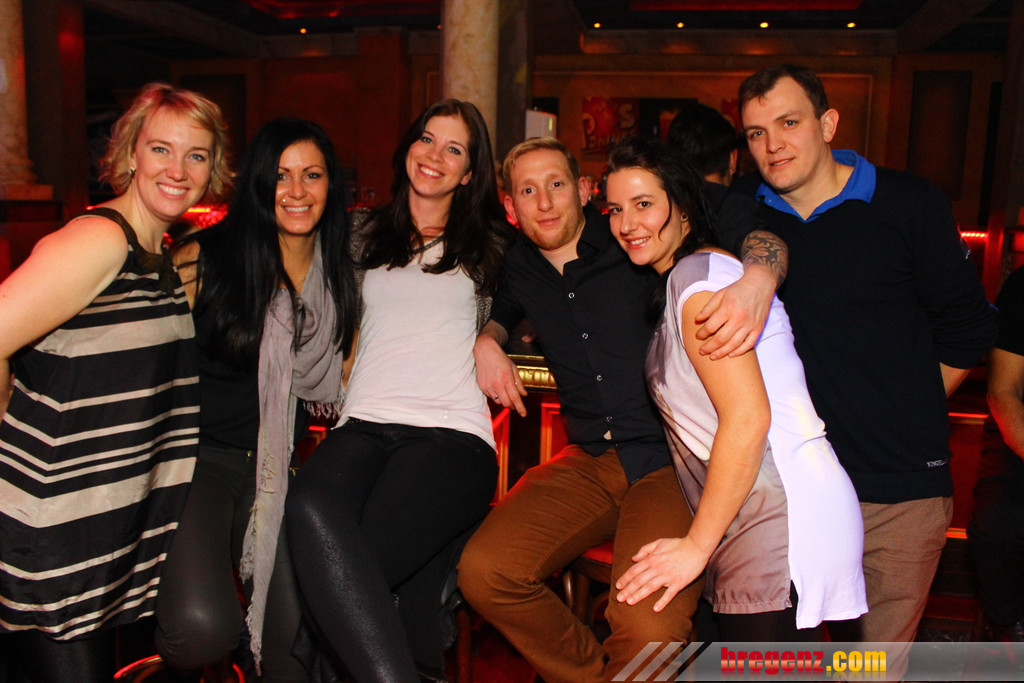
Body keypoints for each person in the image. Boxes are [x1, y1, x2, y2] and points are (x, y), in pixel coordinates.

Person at [457, 136, 786, 683]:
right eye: (528, 191)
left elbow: (742, 217)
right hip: (588, 459)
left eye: (556, 184)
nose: (545, 202)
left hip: (669, 462)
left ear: (584, 189)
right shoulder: (518, 266)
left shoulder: (631, 237)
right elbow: (504, 305)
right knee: (485, 571)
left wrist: (760, 275)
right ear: (510, 206)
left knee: (646, 626)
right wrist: (487, 339)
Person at [736, 63, 996, 671]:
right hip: (788, 494)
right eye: (756, 133)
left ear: (828, 124)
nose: (772, 145)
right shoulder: (744, 214)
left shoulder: (908, 204)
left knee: (870, 668)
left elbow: (969, 329)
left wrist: (908, 405)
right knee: (785, 667)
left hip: (896, 491)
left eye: (789, 123)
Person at [0, 82, 230, 682]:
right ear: (130, 153)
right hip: (51, 532)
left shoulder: (157, 254)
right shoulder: (101, 239)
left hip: (99, 530)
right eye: (161, 149)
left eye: (196, 155)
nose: (177, 170)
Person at [285, 99, 512, 682]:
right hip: (363, 424)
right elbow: (298, 264)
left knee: (350, 571)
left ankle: (311, 659)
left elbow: (522, 302)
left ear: (469, 172)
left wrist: (490, 335)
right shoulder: (361, 231)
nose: (434, 155)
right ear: (408, 147)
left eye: (454, 149)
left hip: (449, 434)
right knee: (307, 503)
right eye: (426, 139)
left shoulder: (491, 243)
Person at [605, 136, 866, 641]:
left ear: (683, 206)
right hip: (774, 512)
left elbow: (748, 420)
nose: (626, 223)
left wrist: (695, 547)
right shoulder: (700, 274)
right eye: (616, 209)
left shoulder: (696, 281)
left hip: (781, 521)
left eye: (643, 204)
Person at [156, 118, 357, 681]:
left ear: (330, 184)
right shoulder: (204, 259)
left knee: (294, 651)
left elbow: (350, 376)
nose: (296, 191)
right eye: (280, 175)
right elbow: (144, 362)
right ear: (257, 182)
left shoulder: (341, 274)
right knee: (201, 630)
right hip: (198, 462)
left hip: (281, 469)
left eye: (312, 175)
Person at [969, 265, 1024, 641]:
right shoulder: (1023, 286)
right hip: (1018, 432)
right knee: (998, 526)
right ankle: (1008, 623)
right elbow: (1003, 391)